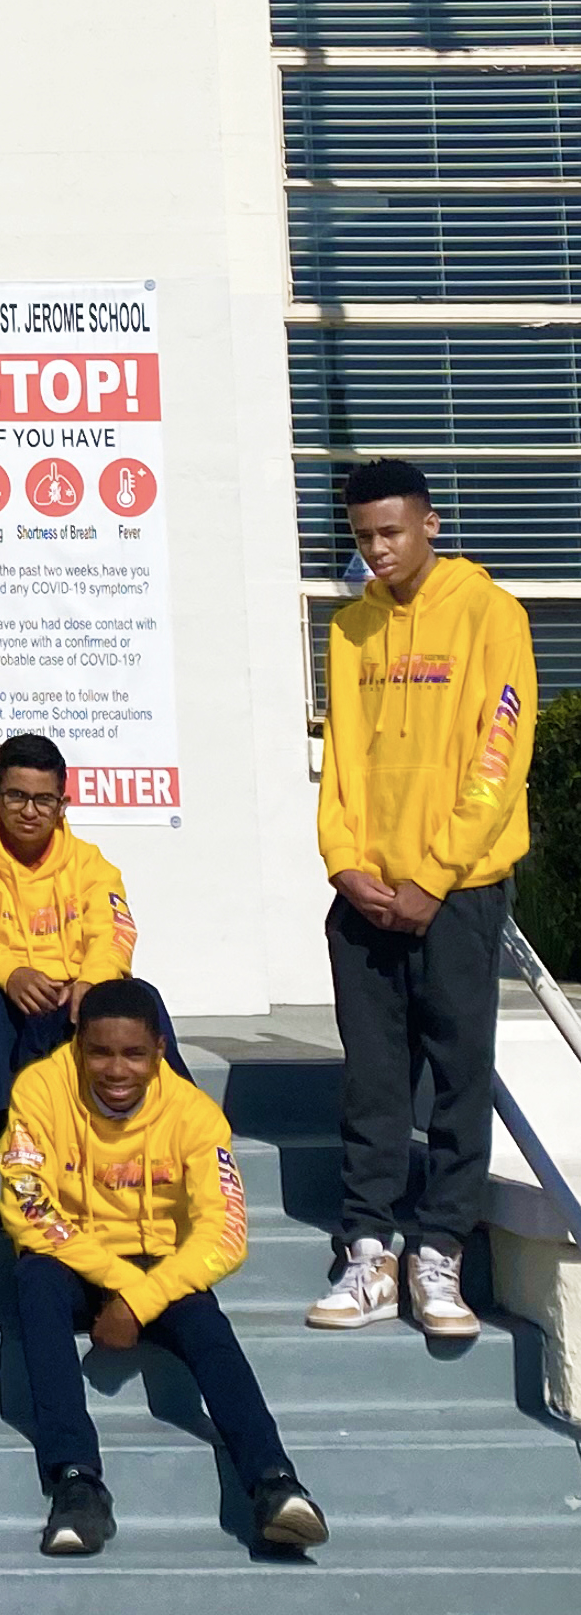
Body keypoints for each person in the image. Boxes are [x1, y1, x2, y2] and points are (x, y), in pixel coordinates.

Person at [309, 458, 535, 1339]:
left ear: (431, 523)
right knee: (371, 1081)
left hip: (458, 892)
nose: (378, 551)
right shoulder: (352, 626)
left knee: (457, 1078)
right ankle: (369, 1249)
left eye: (392, 532)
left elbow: (499, 754)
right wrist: (343, 861)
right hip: (366, 895)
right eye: (363, 536)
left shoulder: (490, 613)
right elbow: (345, 758)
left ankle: (439, 1250)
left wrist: (433, 875)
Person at [1, 977, 328, 1560]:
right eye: (99, 1052)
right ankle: (77, 1483)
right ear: (78, 1046)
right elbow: (26, 1207)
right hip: (72, 1258)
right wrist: (126, 1289)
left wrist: (141, 1299)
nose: (116, 1070)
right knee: (35, 1281)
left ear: (158, 1050)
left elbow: (224, 1236)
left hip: (157, 1263)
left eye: (133, 1054)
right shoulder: (40, 1089)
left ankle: (275, 1484)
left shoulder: (194, 1113)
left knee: (204, 1319)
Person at [0, 732, 180, 1230]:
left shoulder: (91, 863)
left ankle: (179, 1131)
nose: (29, 810)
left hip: (71, 999)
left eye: (43, 798)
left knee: (140, 998)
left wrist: (90, 983)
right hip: (5, 998)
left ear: (63, 803)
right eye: (17, 796)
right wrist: (12, 973)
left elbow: (113, 931)